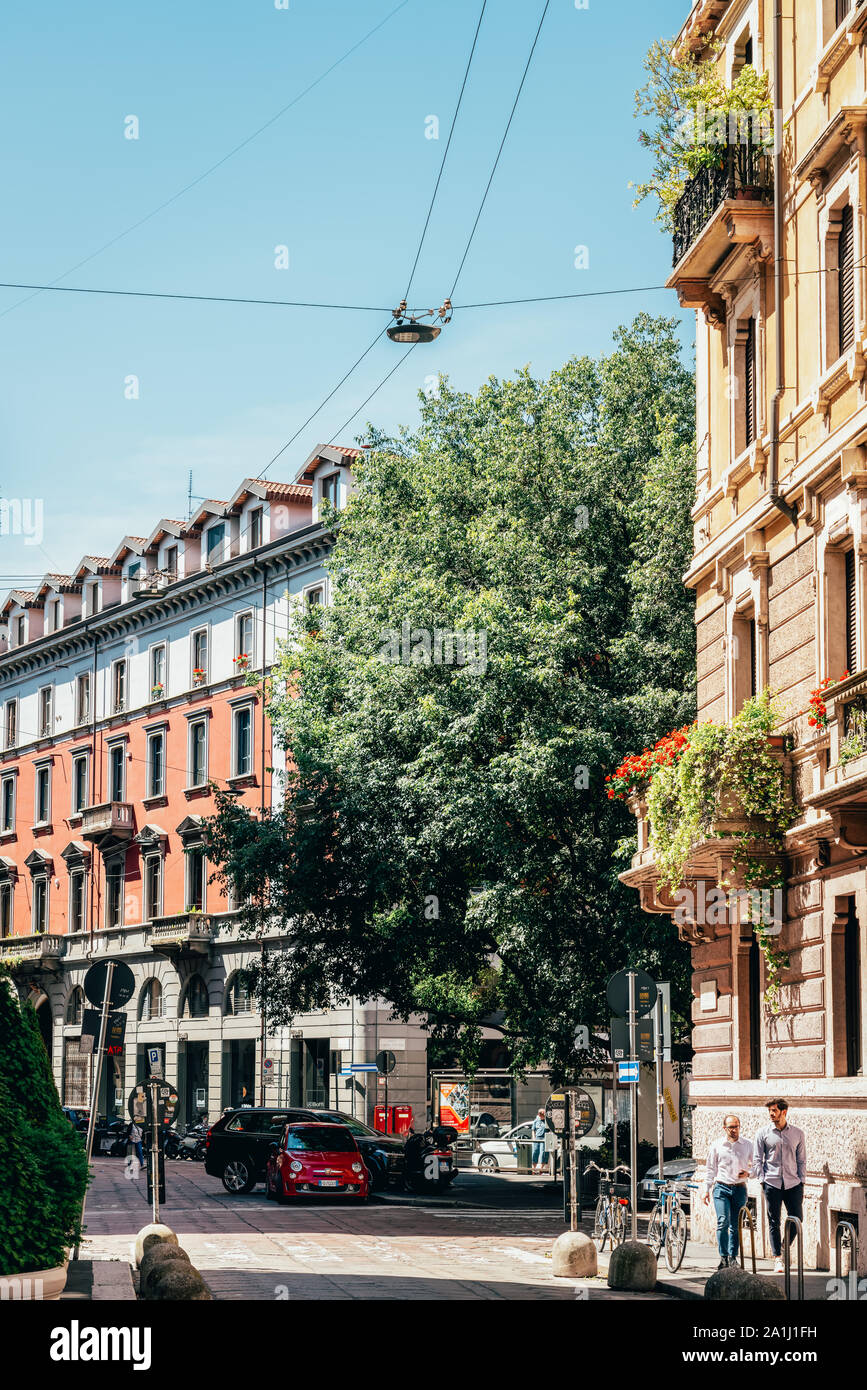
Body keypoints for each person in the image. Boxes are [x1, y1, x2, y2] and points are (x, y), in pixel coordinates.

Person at [754, 1098, 806, 1274]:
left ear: (784, 1112)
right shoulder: (763, 1133)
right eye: (769, 1111)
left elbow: (801, 1160)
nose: (771, 1114)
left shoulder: (798, 1133)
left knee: (798, 1218)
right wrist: (762, 1180)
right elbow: (757, 1159)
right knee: (773, 1221)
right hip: (772, 1183)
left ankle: (784, 1246)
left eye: (774, 1111)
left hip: (793, 1183)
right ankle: (778, 1258)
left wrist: (802, 1181)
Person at [702, 1115, 753, 1269]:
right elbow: (710, 1169)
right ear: (724, 1128)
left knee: (735, 1225)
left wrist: (749, 1173)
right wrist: (706, 1190)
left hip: (739, 1188)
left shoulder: (747, 1145)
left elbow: (758, 1165)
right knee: (722, 1221)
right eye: (731, 1127)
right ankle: (723, 1257)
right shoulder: (717, 1145)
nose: (734, 1130)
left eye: (736, 1126)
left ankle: (732, 1257)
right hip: (721, 1187)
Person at [531, 1109, 547, 1174]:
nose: (541, 1115)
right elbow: (533, 1129)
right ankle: (533, 1169)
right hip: (537, 1138)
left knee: (542, 1153)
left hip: (544, 1138)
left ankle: (541, 1169)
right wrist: (534, 1137)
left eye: (542, 1114)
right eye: (540, 1113)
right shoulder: (536, 1120)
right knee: (535, 1152)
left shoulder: (547, 1121)